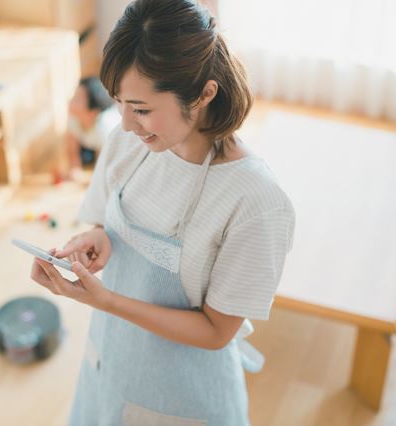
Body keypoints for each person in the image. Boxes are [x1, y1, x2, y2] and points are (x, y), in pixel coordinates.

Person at [30, 0, 295, 424]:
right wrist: (99, 239)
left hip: (183, 398)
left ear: (205, 93)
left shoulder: (255, 201)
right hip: (109, 367)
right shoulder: (128, 141)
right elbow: (109, 222)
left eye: (142, 109)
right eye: (119, 103)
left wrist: (109, 301)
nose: (128, 124)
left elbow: (215, 332)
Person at [65, 77, 119, 181]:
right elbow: (72, 148)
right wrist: (74, 170)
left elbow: (104, 162)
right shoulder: (73, 119)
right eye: (73, 97)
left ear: (93, 111)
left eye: (77, 99)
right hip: (93, 147)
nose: (71, 101)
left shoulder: (105, 124)